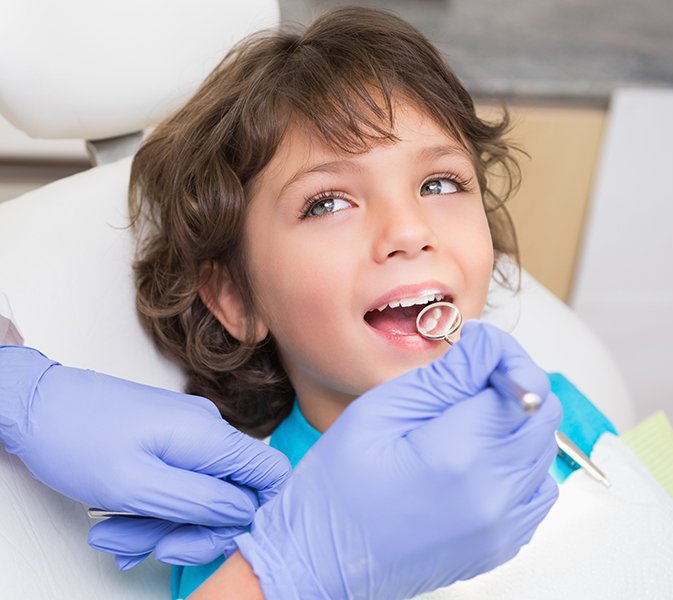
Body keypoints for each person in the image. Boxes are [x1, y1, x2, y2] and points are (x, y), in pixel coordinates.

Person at [0, 6, 561, 599]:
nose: (409, 231)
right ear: (236, 298)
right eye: (327, 203)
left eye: (440, 184)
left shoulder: (552, 409)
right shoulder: (249, 541)